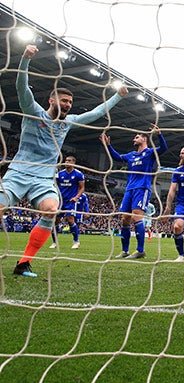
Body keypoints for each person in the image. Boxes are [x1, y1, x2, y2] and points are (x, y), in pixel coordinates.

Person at [1, 44, 127, 277]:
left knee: (51, 209)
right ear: (51, 100)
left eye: (70, 102)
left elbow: (97, 113)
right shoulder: (33, 111)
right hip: (19, 172)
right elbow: (21, 87)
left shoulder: (68, 122)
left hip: (44, 178)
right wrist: (25, 59)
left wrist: (117, 97)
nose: (68, 104)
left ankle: (23, 263)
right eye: (64, 100)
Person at [100, 125, 167, 259]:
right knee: (124, 219)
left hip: (142, 188)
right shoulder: (131, 155)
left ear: (144, 139)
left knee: (137, 217)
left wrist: (159, 135)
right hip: (129, 189)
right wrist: (108, 146)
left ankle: (140, 250)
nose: (133, 139)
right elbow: (117, 157)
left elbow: (164, 149)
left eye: (136, 137)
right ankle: (125, 251)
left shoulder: (149, 153)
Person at [50, 155, 85, 249]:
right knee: (56, 221)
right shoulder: (60, 174)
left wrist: (76, 197)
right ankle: (54, 242)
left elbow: (82, 188)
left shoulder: (78, 174)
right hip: (60, 201)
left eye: (69, 161)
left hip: (70, 201)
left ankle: (76, 241)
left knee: (70, 220)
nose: (67, 162)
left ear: (73, 162)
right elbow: (55, 185)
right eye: (66, 160)